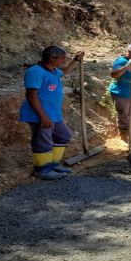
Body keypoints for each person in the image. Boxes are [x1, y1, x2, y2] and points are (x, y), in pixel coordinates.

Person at [19, 46, 85, 180]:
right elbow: (31, 96)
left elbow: (65, 71)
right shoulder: (35, 72)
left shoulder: (53, 71)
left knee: (63, 135)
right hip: (39, 115)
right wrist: (43, 116)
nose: (63, 61)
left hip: (53, 115)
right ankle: (42, 170)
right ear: (52, 58)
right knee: (43, 141)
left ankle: (53, 165)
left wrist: (75, 60)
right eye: (62, 58)